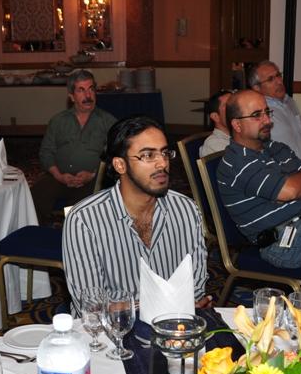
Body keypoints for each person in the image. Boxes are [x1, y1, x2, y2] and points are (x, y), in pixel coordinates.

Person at [63, 116, 209, 314]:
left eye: (164, 153)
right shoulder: (84, 220)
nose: (162, 164)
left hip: (174, 322)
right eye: (148, 155)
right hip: (112, 329)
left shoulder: (186, 210)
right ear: (120, 165)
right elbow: (91, 306)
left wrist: (129, 305)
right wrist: (158, 304)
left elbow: (197, 288)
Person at [218, 90, 301, 269]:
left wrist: (296, 187)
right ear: (237, 125)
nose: (267, 120)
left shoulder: (276, 148)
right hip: (282, 242)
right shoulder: (237, 163)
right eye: (256, 115)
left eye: (267, 112)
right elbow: (291, 191)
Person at [31, 70, 117, 224]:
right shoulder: (58, 121)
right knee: (34, 195)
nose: (88, 95)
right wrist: (59, 175)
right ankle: (41, 231)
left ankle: (70, 228)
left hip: (93, 179)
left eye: (91, 89)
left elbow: (117, 155)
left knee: (79, 207)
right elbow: (46, 152)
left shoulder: (108, 122)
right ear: (71, 96)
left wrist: (92, 174)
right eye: (81, 90)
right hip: (59, 177)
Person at [248, 61, 301, 167]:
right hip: (284, 171)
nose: (279, 81)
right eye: (270, 79)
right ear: (257, 88)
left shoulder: (290, 102)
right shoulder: (257, 113)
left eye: (278, 75)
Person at [199, 89, 233, 157]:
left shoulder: (237, 136)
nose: (237, 110)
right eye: (228, 106)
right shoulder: (214, 144)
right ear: (215, 117)